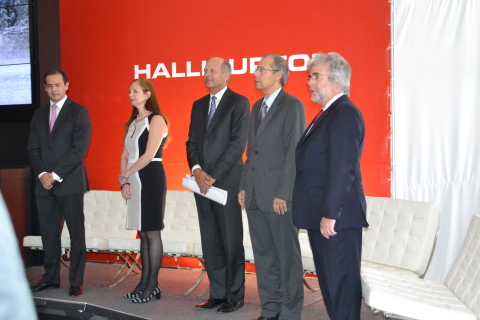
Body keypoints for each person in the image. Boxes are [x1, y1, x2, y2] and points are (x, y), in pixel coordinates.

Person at [292, 52, 368, 320]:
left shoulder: (344, 114)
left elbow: (342, 169)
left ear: (336, 82)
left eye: (316, 76)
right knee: (331, 286)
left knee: (342, 288)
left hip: (336, 218)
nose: (310, 82)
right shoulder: (328, 113)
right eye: (310, 76)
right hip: (320, 215)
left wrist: (330, 213)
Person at [238, 53, 306, 320]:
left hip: (279, 197)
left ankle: (290, 314)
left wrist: (284, 193)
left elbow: (294, 153)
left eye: (262, 69)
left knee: (287, 260)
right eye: (257, 69)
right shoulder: (257, 107)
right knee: (264, 258)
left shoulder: (292, 105)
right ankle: (270, 311)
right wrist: (244, 186)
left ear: (278, 74)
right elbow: (250, 152)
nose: (256, 73)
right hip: (254, 195)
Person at [186, 57, 250, 313]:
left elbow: (237, 144)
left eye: (212, 70)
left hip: (227, 182)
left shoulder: (239, 102)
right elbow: (191, 142)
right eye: (205, 70)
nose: (206, 74)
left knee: (230, 239)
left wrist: (213, 175)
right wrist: (197, 170)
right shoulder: (198, 105)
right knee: (210, 239)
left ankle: (235, 296)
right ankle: (217, 293)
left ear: (227, 75)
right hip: (201, 184)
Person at [28, 68, 92, 297]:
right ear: (45, 88)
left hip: (69, 183)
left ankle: (76, 281)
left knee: (76, 234)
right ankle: (51, 277)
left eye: (57, 85)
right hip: (42, 184)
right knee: (48, 234)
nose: (54, 89)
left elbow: (78, 151)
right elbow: (33, 149)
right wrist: (42, 174)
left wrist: (54, 175)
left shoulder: (79, 112)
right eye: (49, 86)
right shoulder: (38, 114)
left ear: (66, 85)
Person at [118, 79, 171, 303]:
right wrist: (125, 182)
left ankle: (152, 285)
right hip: (133, 179)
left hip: (150, 178)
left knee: (152, 232)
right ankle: (143, 282)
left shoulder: (156, 119)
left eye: (136, 91)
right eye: (129, 91)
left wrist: (127, 174)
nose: (131, 94)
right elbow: (123, 155)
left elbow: (149, 155)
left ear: (148, 94)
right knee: (141, 232)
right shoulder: (132, 122)